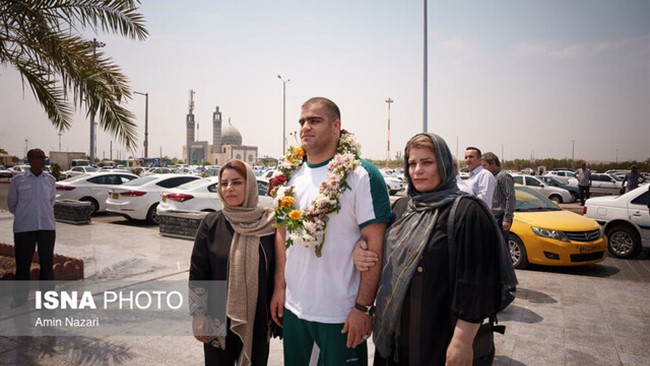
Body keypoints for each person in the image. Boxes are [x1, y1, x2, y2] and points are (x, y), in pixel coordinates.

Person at [358, 133, 504, 365]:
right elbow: (385, 252)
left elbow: (476, 284)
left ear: (445, 166)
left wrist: (462, 342)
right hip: (396, 334)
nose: (417, 170)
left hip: (439, 337)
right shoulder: (404, 207)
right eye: (412, 163)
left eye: (427, 162)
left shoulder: (466, 212)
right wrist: (360, 249)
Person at [270, 97, 391, 366]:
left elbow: (374, 245)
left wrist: (363, 308)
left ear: (336, 126)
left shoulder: (361, 175)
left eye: (314, 120)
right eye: (302, 121)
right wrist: (280, 287)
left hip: (341, 316)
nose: (305, 127)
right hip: (295, 310)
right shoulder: (289, 176)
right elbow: (282, 235)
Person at [189, 159, 277, 366]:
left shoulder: (269, 225)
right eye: (224, 183)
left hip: (257, 315)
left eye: (237, 182)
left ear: (251, 185)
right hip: (217, 315)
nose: (229, 188)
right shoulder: (211, 224)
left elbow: (276, 271)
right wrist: (199, 315)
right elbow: (198, 272)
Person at [7, 148, 56, 308]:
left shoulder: (50, 180)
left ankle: (47, 299)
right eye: (39, 157)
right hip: (24, 228)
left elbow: (51, 202)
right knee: (23, 264)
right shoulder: (18, 180)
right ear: (30, 159)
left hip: (46, 228)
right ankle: (20, 299)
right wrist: (26, 215)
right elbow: (12, 205)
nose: (43, 160)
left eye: (44, 157)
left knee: (47, 264)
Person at [481, 152, 515, 241]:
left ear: (493, 163)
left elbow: (510, 197)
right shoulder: (490, 177)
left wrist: (507, 219)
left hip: (500, 217)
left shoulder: (503, 176)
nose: (482, 169)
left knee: (500, 246)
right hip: (492, 216)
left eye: (484, 166)